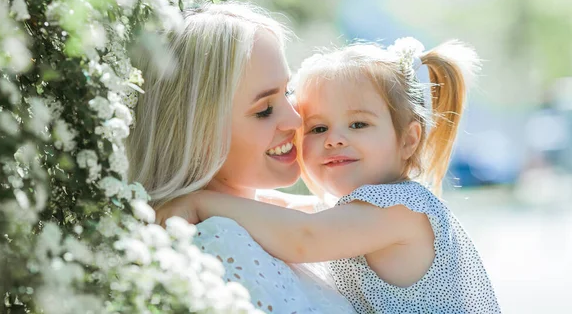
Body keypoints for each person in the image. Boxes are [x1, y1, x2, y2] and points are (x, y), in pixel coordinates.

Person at [157, 38, 501, 313]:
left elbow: (304, 236)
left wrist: (201, 201)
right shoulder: (363, 210)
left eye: (358, 124)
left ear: (408, 140)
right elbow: (299, 212)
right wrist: (252, 199)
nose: (334, 139)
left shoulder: (403, 209)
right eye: (318, 127)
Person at [126, 2, 356, 313]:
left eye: (288, 93)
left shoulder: (281, 217)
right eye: (263, 110)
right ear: (195, 132)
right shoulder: (217, 245)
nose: (295, 120)